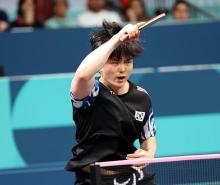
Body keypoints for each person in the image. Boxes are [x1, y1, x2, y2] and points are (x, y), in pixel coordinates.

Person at [65, 20, 157, 185]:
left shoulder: (142, 97)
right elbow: (82, 75)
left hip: (133, 178)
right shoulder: (89, 93)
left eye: (127, 62)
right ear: (100, 65)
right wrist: (117, 39)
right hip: (95, 180)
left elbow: (148, 138)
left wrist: (148, 154)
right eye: (114, 62)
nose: (122, 69)